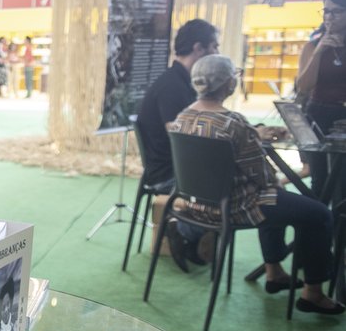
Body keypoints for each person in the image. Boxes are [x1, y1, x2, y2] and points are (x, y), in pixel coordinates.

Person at [168, 54, 343, 315]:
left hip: (195, 204)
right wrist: (259, 145)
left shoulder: (182, 117)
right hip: (237, 207)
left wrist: (254, 135)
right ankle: (314, 293)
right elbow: (262, 177)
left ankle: (274, 272)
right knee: (317, 213)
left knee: (277, 198)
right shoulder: (234, 123)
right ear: (229, 84)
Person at [138, 18, 220, 272]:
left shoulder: (182, 81)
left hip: (177, 167)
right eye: (214, 47)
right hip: (167, 174)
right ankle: (182, 229)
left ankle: (190, 236)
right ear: (198, 48)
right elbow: (179, 135)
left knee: (227, 183)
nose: (217, 53)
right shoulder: (172, 85)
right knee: (225, 188)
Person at [296, 0, 346, 201]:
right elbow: (303, 87)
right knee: (319, 180)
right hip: (317, 114)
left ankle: (338, 232)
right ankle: (315, 232)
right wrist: (318, 52)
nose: (329, 17)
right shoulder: (311, 47)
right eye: (326, 11)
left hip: (343, 118)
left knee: (343, 184)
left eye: (336, 11)